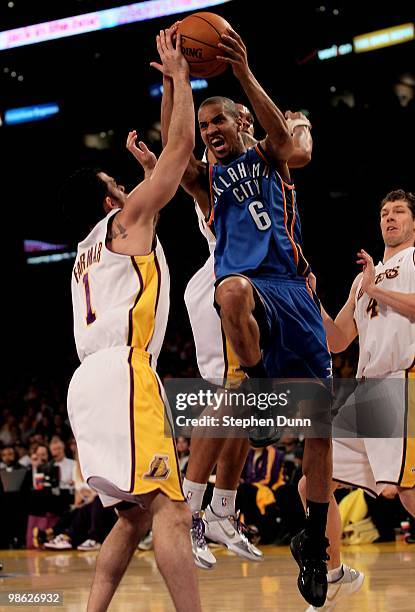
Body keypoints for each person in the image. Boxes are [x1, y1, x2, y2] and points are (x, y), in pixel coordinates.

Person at [162, 25, 332, 607]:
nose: (210, 132)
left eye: (219, 122)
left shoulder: (271, 156)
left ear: (241, 122)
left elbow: (288, 139)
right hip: (251, 290)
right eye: (205, 126)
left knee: (319, 427)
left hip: (294, 291)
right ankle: (258, 388)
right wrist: (176, 83)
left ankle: (312, 537)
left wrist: (242, 72)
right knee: (229, 290)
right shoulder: (207, 182)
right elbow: (173, 149)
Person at [65, 29, 201, 612]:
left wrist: (167, 89)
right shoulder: (125, 220)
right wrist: (183, 81)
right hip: (123, 372)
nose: (127, 186)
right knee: (171, 507)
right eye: (118, 186)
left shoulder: (85, 252)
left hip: (86, 386)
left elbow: (160, 166)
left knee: (132, 515)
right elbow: (178, 153)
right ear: (108, 203)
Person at [299, 189, 415, 610]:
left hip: (399, 382)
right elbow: (337, 340)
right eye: (384, 212)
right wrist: (312, 297)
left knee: (404, 491)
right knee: (313, 482)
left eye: (399, 212)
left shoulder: (414, 259)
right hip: (366, 391)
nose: (390, 218)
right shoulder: (364, 278)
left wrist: (376, 290)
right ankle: (333, 576)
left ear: (413, 222)